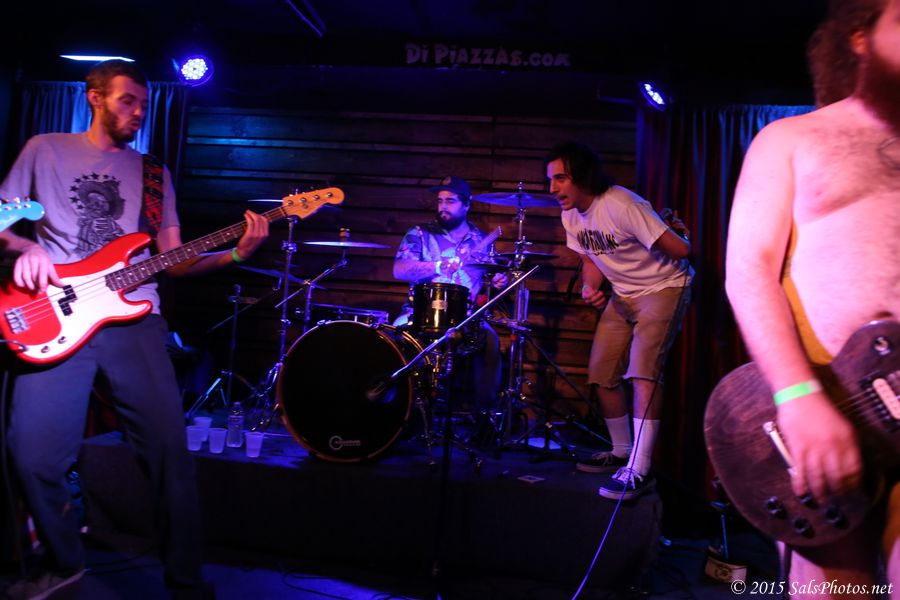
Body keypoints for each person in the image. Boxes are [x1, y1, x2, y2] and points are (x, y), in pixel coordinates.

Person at [0, 60, 269, 599]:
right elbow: (2, 221)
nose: (139, 112)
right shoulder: (44, 149)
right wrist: (26, 246)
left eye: (144, 104)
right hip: (56, 316)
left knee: (169, 453)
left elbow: (174, 260)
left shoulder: (152, 174)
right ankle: (64, 561)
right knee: (32, 455)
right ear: (94, 97)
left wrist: (237, 254)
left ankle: (186, 580)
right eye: (128, 100)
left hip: (135, 320)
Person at [725, 0, 900, 591]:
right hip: (832, 404)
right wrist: (799, 397)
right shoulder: (792, 139)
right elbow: (748, 270)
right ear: (861, 36)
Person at [546, 142, 692, 500]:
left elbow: (682, 250)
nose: (552, 188)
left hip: (664, 287)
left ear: (582, 176)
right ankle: (622, 451)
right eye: (550, 180)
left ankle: (639, 469)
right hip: (623, 294)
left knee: (643, 372)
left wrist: (671, 231)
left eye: (560, 178)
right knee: (602, 372)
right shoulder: (571, 216)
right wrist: (589, 289)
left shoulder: (622, 205)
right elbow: (591, 260)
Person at [393, 175, 506, 412]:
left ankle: (483, 414)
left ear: (467, 205)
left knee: (491, 340)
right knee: (395, 338)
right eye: (440, 201)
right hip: (417, 312)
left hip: (465, 318)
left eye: (450, 201)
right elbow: (399, 269)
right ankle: (399, 407)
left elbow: (488, 280)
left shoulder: (481, 241)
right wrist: (437, 266)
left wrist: (497, 282)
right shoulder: (420, 233)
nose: (443, 206)